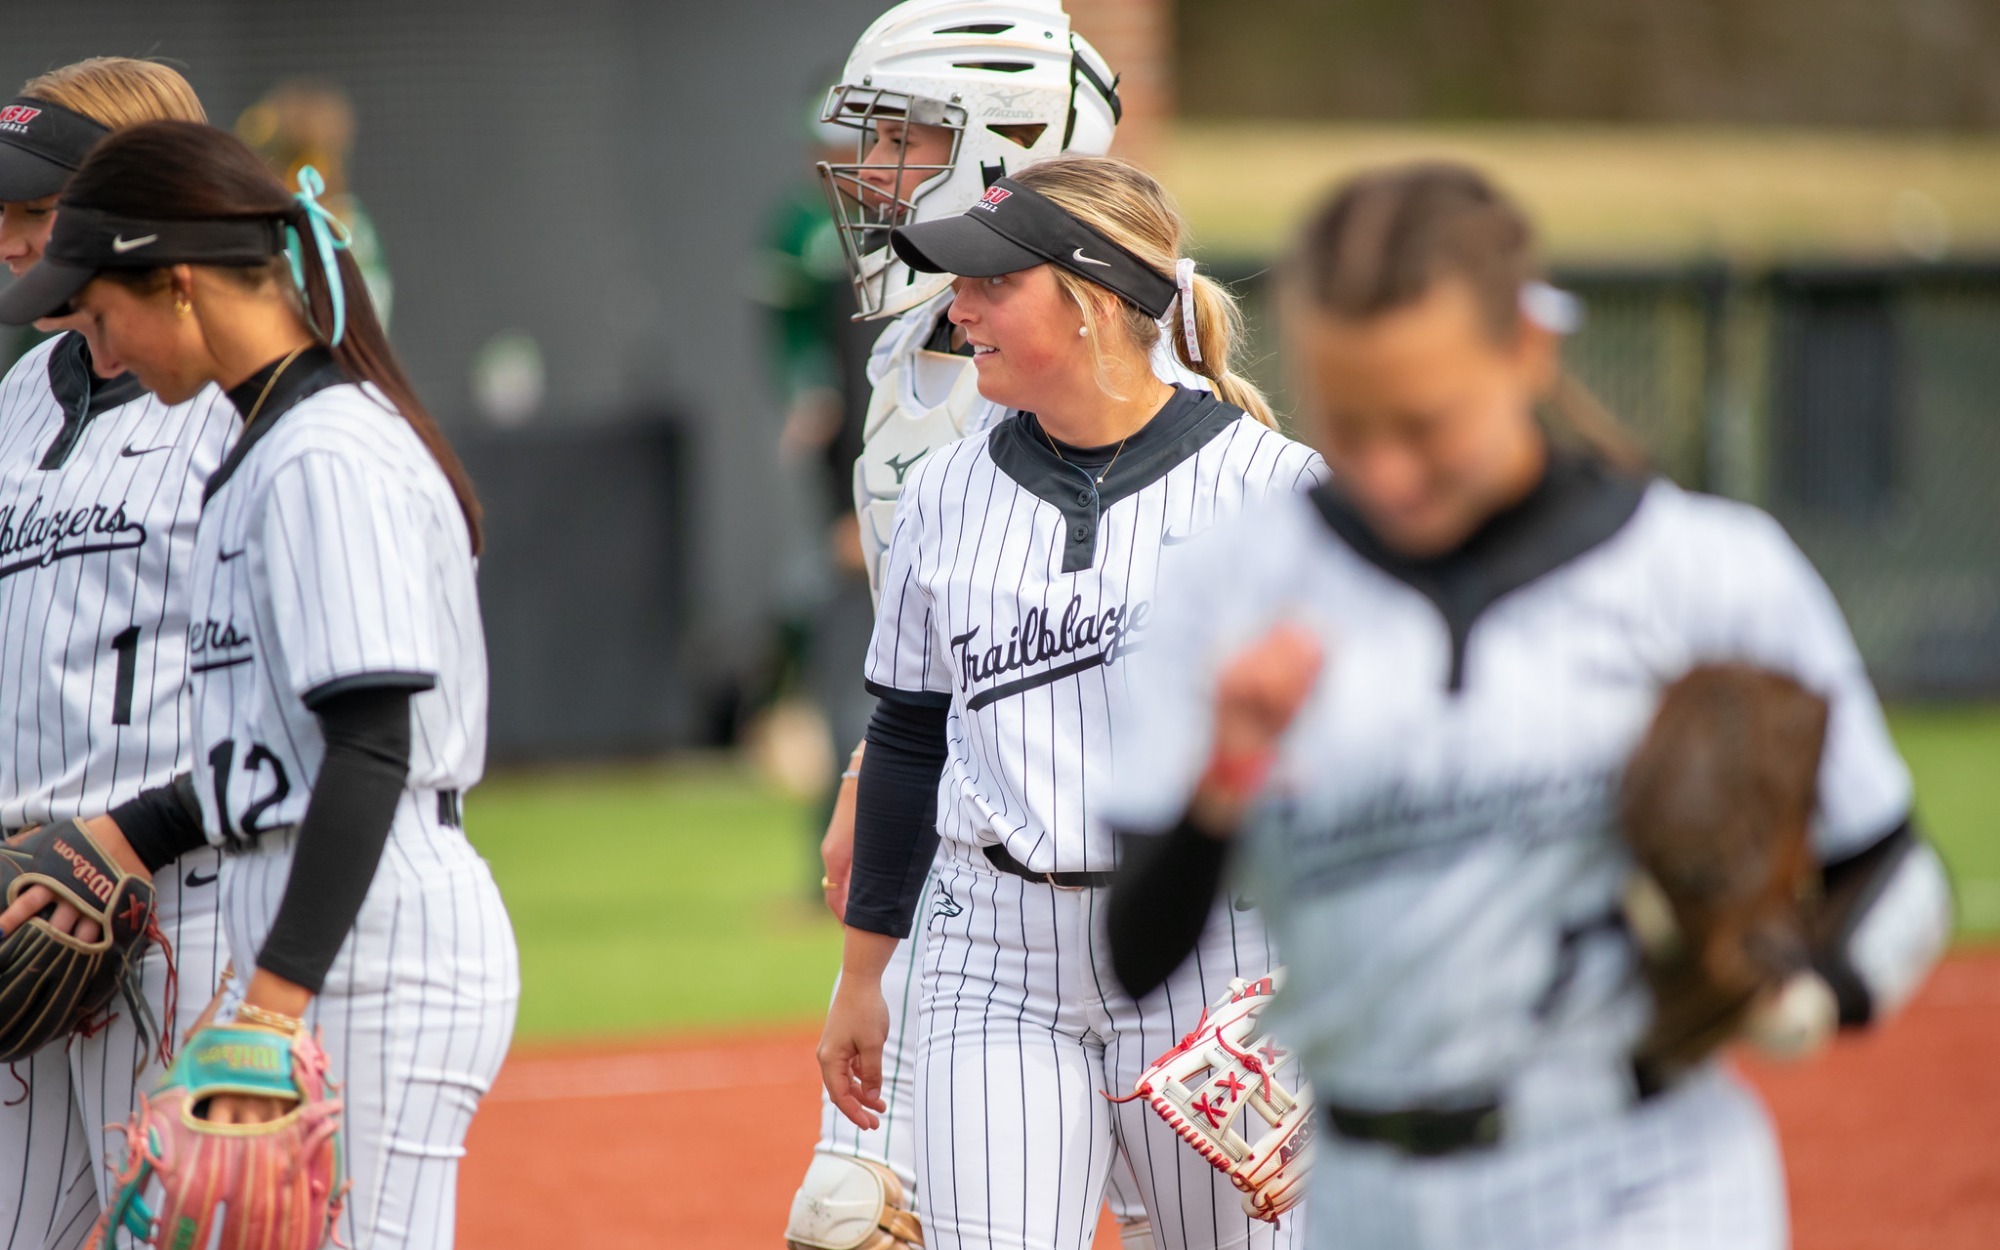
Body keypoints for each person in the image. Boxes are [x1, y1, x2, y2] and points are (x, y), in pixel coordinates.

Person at [1100, 162, 1955, 1250]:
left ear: (1528, 352)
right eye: (1349, 424)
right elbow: (1134, 948)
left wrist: (1818, 988)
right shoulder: (1234, 581)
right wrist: (1221, 780)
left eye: (1426, 422)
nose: (1388, 467)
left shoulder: (1703, 571)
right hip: (1364, 1194)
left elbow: (1887, 865)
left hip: (1641, 1176)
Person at [0, 119, 520, 1249]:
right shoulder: (262, 444)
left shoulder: (325, 450)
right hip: (306, 911)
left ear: (178, 283)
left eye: (102, 312)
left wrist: (273, 1004)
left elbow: (370, 741)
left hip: (374, 929)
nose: (105, 347)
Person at [815, 154, 1327, 1250]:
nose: (959, 310)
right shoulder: (946, 491)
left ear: (1092, 300)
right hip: (991, 951)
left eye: (991, 283)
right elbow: (907, 733)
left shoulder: (1274, 489)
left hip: (1209, 948)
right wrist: (865, 973)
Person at [787, 4, 1144, 1247]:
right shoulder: (901, 352)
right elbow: (917, 663)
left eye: (904, 136)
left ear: (1007, 137)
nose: (870, 171)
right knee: (854, 1219)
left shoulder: (1142, 368)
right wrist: (863, 780)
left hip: (1113, 879)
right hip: (950, 877)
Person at [0, 57, 231, 1250]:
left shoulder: (228, 401)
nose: (9, 239)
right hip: (23, 894)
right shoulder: (19, 397)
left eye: (36, 212)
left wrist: (137, 837)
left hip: (179, 895)